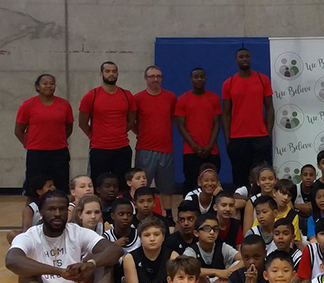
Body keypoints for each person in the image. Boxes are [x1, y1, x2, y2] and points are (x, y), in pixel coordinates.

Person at [107, 216, 178, 283]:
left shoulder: (173, 256)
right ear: (140, 237)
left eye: (156, 234)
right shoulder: (130, 258)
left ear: (163, 237)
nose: (152, 238)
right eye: (147, 235)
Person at [222, 47, 275, 187]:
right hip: (238, 139)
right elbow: (226, 114)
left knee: (262, 179)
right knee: (240, 180)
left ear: (250, 59)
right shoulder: (229, 83)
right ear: (236, 60)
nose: (244, 59)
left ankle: (263, 208)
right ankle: (241, 208)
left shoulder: (263, 80)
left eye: (247, 56)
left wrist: (267, 135)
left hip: (260, 138)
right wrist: (228, 140)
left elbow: (269, 108)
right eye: (241, 57)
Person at [78, 61, 136, 184]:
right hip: (99, 149)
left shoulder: (127, 95)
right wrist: (94, 136)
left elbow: (131, 120)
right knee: (99, 185)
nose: (111, 74)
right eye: (107, 71)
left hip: (122, 148)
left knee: (122, 186)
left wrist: (119, 131)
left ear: (117, 74)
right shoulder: (91, 95)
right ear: (101, 74)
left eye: (114, 71)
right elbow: (82, 123)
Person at [16, 74, 73, 192]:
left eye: (52, 83)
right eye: (45, 83)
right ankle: (32, 210)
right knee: (34, 190)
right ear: (37, 87)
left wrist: (56, 141)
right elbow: (18, 131)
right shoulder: (28, 105)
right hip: (36, 154)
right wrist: (31, 144)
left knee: (61, 187)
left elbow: (68, 128)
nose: (49, 86)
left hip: (59, 153)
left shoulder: (64, 104)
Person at [134, 65, 177, 220]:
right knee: (142, 185)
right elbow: (132, 121)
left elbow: (171, 118)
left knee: (166, 186)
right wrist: (143, 133)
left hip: (166, 149)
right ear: (146, 79)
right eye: (152, 76)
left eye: (158, 76)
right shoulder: (138, 98)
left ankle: (169, 216)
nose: (155, 79)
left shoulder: (170, 97)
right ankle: (140, 215)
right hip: (145, 148)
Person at [176, 67, 221, 194]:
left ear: (205, 79)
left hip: (211, 151)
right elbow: (180, 126)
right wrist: (194, 146)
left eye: (202, 76)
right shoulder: (183, 99)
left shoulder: (214, 98)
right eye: (196, 77)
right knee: (191, 183)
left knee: (212, 185)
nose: (199, 79)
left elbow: (217, 123)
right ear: (191, 79)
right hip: (191, 151)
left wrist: (210, 145)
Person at [183, 213, 243, 283]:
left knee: (238, 265)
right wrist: (216, 272)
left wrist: (228, 273)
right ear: (196, 233)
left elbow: (244, 260)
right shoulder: (191, 251)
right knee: (199, 276)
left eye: (215, 228)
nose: (212, 232)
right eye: (207, 228)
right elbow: (185, 269)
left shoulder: (222, 247)